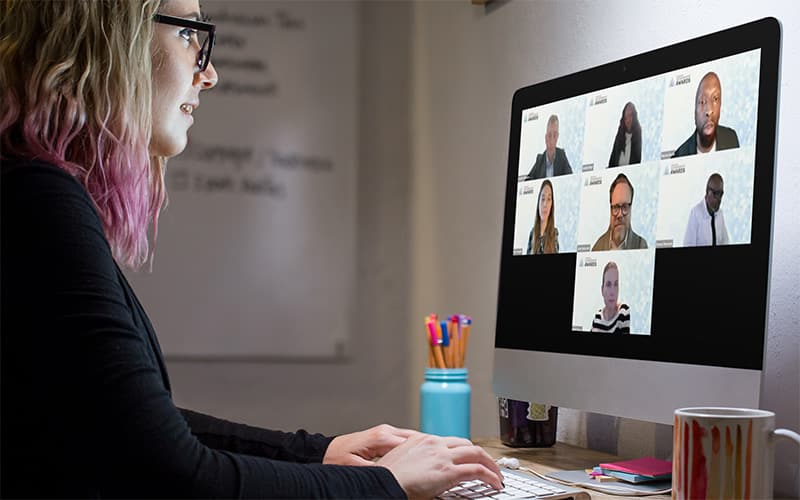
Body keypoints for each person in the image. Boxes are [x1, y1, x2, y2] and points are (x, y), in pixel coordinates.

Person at [0, 1, 503, 498]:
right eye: (187, 34)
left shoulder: (33, 190)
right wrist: (384, 484)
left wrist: (316, 452)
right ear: (108, 36)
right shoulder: (38, 201)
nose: (210, 72)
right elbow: (168, 472)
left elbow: (136, 426)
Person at [672, 72, 740, 157]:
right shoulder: (680, 155)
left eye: (715, 99)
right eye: (702, 102)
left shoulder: (731, 138)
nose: (709, 111)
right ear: (695, 112)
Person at [591, 173, 648, 251]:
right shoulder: (598, 246)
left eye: (625, 207)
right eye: (616, 207)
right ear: (610, 209)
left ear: (631, 208)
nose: (620, 215)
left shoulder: (641, 245)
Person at [684, 173, 730, 246]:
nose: (719, 199)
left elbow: (725, 241)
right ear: (707, 192)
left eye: (721, 194)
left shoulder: (720, 214)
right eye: (715, 194)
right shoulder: (696, 213)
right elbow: (688, 244)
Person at [526, 114, 573, 179]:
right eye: (549, 135)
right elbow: (527, 180)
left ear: (557, 137)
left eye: (555, 135)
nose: (552, 141)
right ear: (545, 138)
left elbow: (570, 177)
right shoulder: (540, 159)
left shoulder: (562, 155)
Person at [591, 262, 631, 334]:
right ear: (602, 290)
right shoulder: (597, 317)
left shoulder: (623, 312)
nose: (612, 292)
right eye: (608, 284)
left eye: (616, 284)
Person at [526, 180, 559, 255]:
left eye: (549, 199)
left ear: (552, 205)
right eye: (543, 199)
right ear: (538, 202)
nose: (545, 204)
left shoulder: (554, 234)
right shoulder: (532, 233)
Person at [608, 102, 642, 167]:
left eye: (630, 116)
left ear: (634, 116)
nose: (628, 120)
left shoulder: (638, 132)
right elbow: (613, 155)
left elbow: (637, 158)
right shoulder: (620, 132)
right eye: (626, 117)